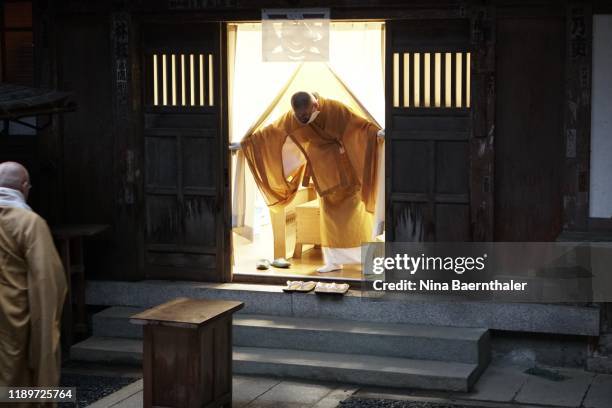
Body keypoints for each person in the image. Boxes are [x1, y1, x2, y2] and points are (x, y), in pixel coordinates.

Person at [234, 92, 384, 272]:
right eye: (299, 116)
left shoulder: (335, 109)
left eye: (306, 115)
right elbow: (274, 132)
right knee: (329, 220)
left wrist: (377, 133)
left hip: (348, 172)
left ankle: (369, 261)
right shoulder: (293, 118)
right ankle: (333, 262)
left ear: (316, 106)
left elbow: (360, 127)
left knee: (359, 217)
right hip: (324, 173)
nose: (303, 119)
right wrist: (248, 145)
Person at [0, 161, 67, 388]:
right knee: (16, 379)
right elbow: (48, 278)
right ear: (24, 186)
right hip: (16, 317)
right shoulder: (29, 223)